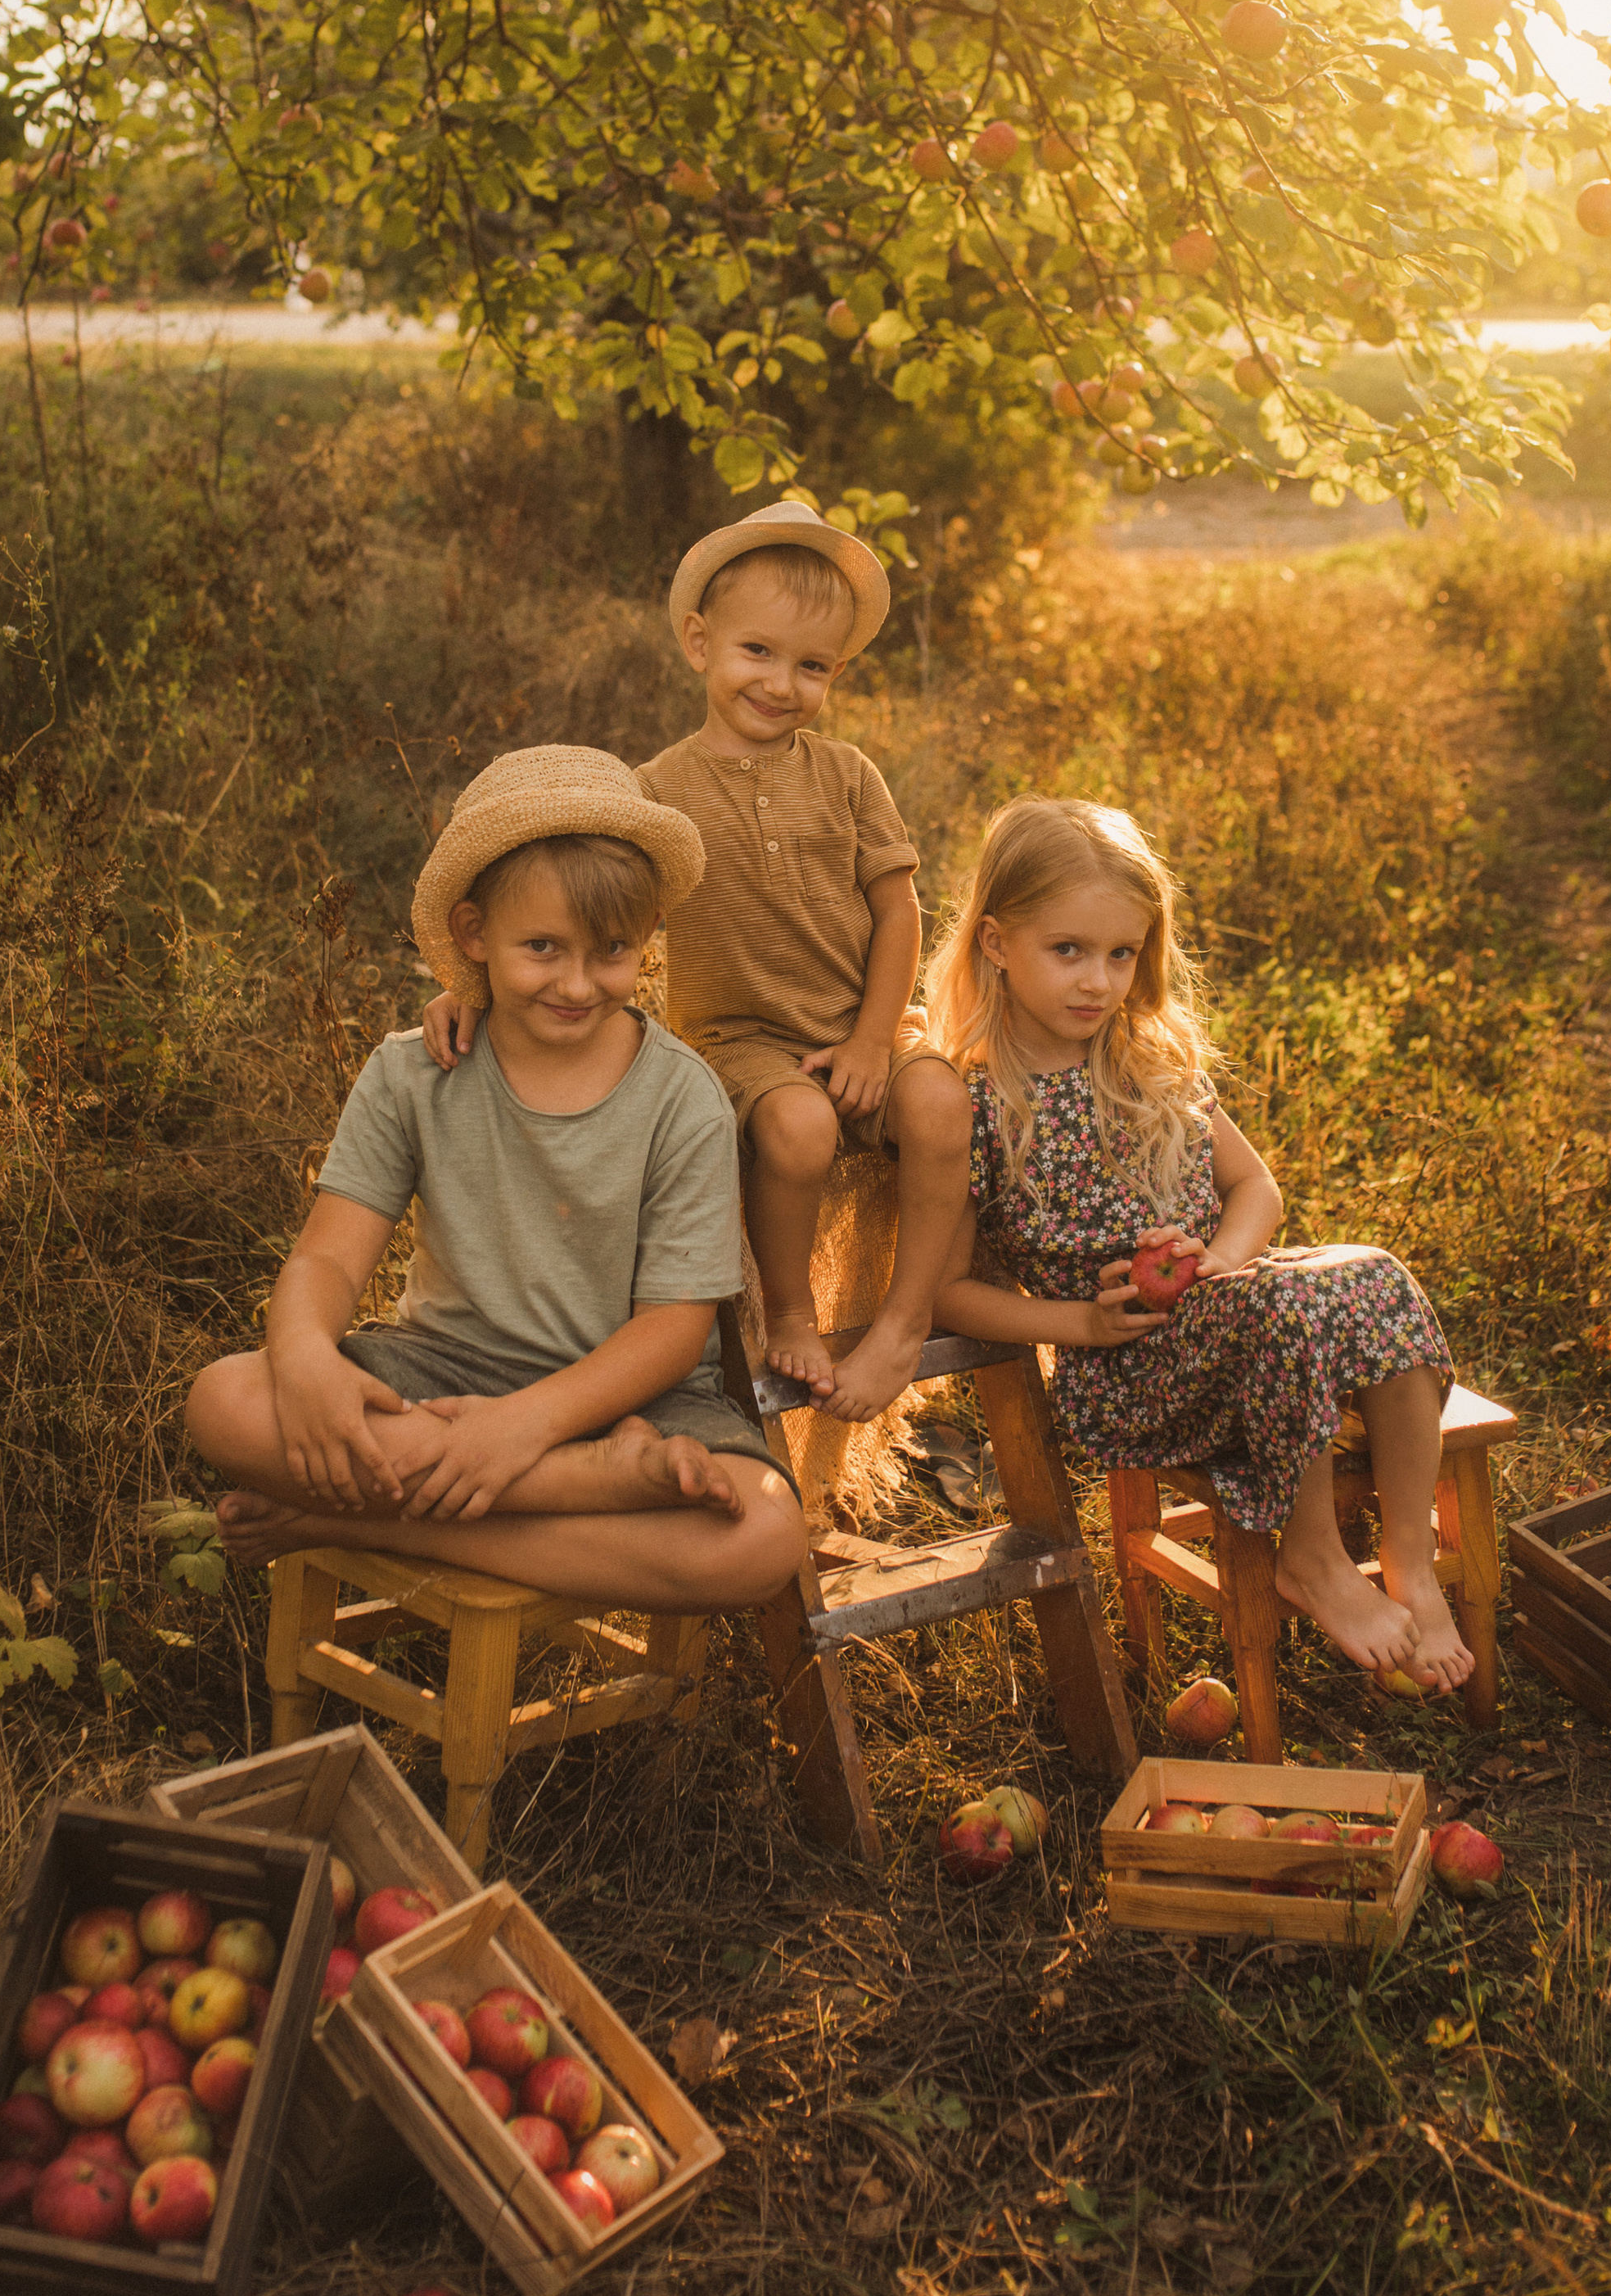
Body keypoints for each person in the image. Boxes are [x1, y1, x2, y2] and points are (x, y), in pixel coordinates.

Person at [189, 746, 806, 1613]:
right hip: (440, 1368)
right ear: (476, 935)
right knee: (226, 1401)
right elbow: (327, 1262)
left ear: (649, 935)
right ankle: (580, 1485)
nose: (577, 982)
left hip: (629, 1393)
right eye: (542, 947)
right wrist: (301, 1359)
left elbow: (672, 1329)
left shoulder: (680, 1097)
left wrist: (521, 1429)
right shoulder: (414, 1074)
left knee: (763, 1536)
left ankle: (357, 1520)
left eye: (612, 951)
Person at [424, 504, 973, 1425]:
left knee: (942, 1103)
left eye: (812, 667)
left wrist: (877, 1040)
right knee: (797, 1130)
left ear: (837, 673)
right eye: (757, 652)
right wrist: (469, 986)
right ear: (698, 643)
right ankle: (791, 1313)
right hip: (742, 1036)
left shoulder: (849, 777)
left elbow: (896, 909)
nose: (781, 683)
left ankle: (904, 1321)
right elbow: (570, 902)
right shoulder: (654, 792)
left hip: (862, 1022)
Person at [924, 795, 1473, 1690]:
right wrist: (1081, 1326)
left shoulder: (1149, 1058)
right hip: (1132, 1373)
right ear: (995, 944)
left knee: (1375, 1272)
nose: (1097, 981)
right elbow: (946, 1293)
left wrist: (1227, 1258)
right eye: (1067, 951)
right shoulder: (978, 1100)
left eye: (1120, 954)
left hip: (1236, 1314)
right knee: (1287, 1311)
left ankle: (1408, 1554)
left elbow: (1254, 1187)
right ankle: (1312, 1559)